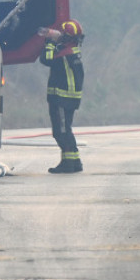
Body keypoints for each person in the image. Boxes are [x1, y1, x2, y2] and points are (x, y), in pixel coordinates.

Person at [38, 19, 85, 173]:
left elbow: (46, 59)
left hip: (62, 99)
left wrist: (50, 42)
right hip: (68, 99)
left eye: (62, 35)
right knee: (65, 130)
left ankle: (69, 164)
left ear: (66, 38)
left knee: (62, 131)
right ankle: (74, 161)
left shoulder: (64, 54)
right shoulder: (72, 51)